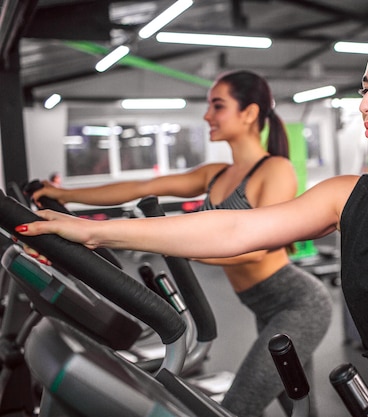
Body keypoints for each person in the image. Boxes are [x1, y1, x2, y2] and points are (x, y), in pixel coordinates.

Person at [18, 22, 368, 417]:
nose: (365, 103)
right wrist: (92, 228)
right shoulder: (347, 196)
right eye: (364, 88)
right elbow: (234, 230)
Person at [28, 70, 332, 417]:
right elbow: (140, 187)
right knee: (300, 409)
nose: (207, 116)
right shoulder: (215, 173)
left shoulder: (274, 169)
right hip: (265, 306)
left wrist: (174, 243)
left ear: (249, 113)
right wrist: (65, 195)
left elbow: (256, 248)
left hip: (298, 303)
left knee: (238, 407)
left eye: (218, 106)